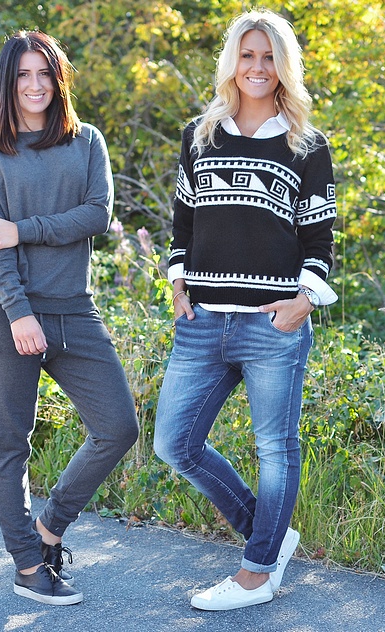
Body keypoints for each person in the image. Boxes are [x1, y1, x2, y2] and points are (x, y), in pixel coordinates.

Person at [153, 8, 337, 611]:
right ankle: (271, 537)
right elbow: (182, 223)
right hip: (201, 320)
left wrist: (303, 302)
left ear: (284, 67)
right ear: (232, 61)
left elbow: (320, 239)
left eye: (269, 57)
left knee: (275, 449)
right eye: (248, 55)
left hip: (272, 325)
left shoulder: (306, 145)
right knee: (173, 444)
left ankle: (258, 572)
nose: (257, 67)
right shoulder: (199, 136)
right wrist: (178, 283)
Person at [0, 30, 139, 606]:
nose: (35, 85)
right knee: (10, 441)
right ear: (7, 83)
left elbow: (97, 215)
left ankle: (48, 530)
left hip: (74, 310)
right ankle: (26, 566)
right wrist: (19, 314)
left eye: (44, 73)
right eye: (23, 74)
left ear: (58, 79)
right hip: (7, 311)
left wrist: (24, 229)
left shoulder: (86, 141)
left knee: (119, 426)